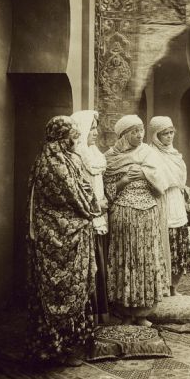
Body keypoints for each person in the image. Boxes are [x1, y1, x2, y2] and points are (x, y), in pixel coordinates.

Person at [26, 115, 99, 366]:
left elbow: (83, 190)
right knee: (61, 289)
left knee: (65, 289)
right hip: (57, 238)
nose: (75, 140)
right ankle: (59, 349)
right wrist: (90, 210)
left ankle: (67, 345)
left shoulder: (61, 160)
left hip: (62, 234)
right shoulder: (54, 164)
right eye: (72, 136)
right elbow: (76, 198)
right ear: (62, 136)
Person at [104, 115, 170, 327]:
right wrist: (123, 181)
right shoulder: (109, 157)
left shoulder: (149, 153)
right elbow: (105, 192)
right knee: (126, 261)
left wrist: (144, 173)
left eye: (141, 130)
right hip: (123, 215)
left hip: (147, 214)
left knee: (145, 260)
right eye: (134, 131)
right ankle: (124, 312)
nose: (140, 134)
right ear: (123, 134)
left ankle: (142, 313)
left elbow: (162, 183)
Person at [71, 110, 110, 324]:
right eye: (91, 128)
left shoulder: (95, 155)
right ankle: (89, 318)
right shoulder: (77, 157)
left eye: (96, 128)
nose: (95, 132)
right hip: (87, 217)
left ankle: (101, 314)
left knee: (100, 266)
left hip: (99, 215)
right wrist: (96, 206)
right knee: (90, 268)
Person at [149, 116, 190, 296]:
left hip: (176, 200)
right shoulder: (151, 154)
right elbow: (155, 180)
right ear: (155, 135)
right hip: (161, 200)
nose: (169, 136)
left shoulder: (174, 154)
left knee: (178, 245)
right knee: (164, 243)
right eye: (164, 134)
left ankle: (174, 287)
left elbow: (180, 180)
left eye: (171, 132)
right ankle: (161, 288)